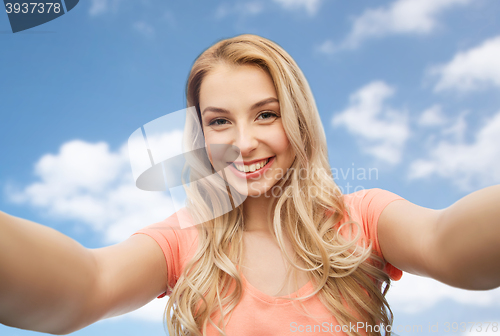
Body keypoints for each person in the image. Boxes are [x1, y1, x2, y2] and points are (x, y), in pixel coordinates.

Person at [0, 34, 499, 336]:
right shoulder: (184, 241)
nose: (243, 142)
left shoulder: (363, 217)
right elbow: (86, 285)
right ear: (200, 136)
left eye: (266, 115)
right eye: (219, 122)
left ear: (299, 120)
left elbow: (447, 245)